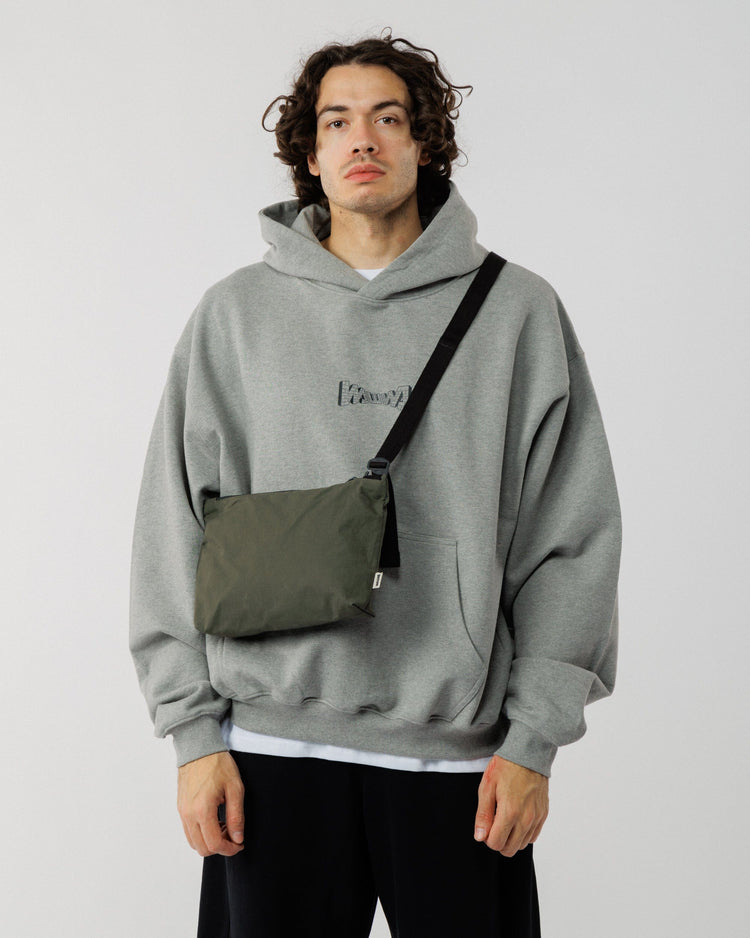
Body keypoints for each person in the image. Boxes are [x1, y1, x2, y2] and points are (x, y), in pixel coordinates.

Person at [129, 30, 622, 938]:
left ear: (425, 142)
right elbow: (173, 527)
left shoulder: (517, 312)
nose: (363, 138)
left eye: (389, 118)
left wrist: (534, 743)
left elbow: (571, 538)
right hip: (268, 752)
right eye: (337, 121)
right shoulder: (235, 315)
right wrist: (192, 735)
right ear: (310, 154)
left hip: (462, 760)